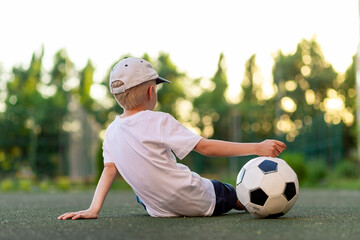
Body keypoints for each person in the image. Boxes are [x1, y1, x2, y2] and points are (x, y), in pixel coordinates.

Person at [58, 57, 286, 219]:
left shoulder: (110, 132)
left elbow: (109, 170)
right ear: (150, 92)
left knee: (140, 195)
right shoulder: (159, 120)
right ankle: (254, 205)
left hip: (158, 209)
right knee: (226, 191)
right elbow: (205, 147)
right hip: (197, 198)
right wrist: (257, 147)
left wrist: (93, 209)